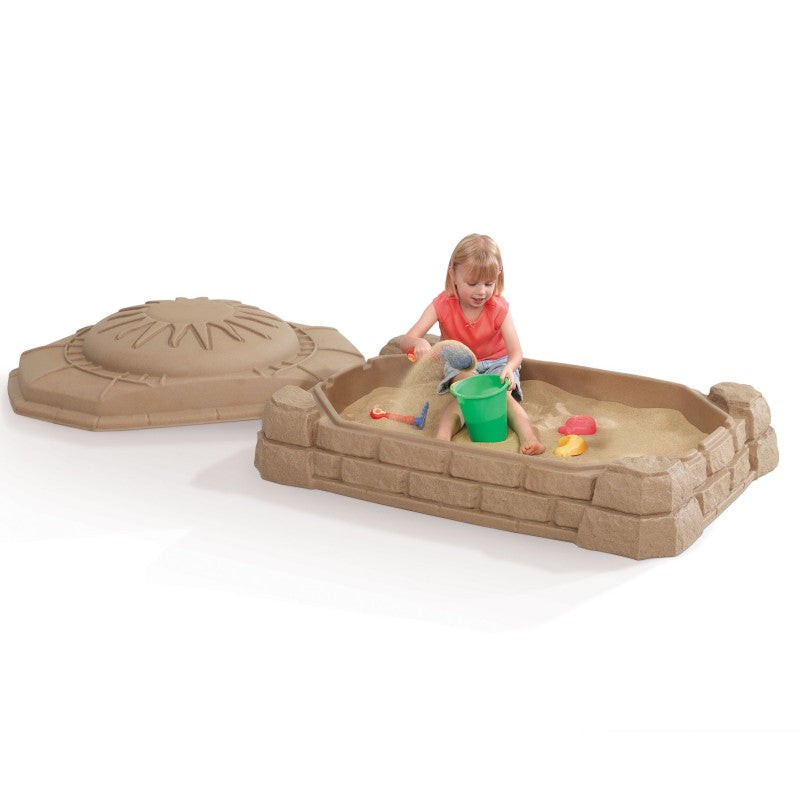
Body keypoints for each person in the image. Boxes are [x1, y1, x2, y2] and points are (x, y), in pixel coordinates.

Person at [400, 234, 545, 455]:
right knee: (465, 397)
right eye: (472, 283)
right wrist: (418, 342)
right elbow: (406, 341)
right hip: (462, 364)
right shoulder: (442, 305)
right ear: (453, 274)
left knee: (503, 398)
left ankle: (530, 438)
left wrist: (510, 367)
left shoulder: (499, 308)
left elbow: (516, 352)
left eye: (489, 283)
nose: (482, 291)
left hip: (498, 363)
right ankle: (442, 439)